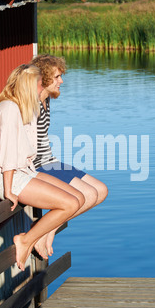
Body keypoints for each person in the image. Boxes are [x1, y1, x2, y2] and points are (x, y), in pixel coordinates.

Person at [0, 64, 84, 271]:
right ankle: (27, 239)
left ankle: (36, 235)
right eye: (40, 85)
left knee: (79, 198)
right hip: (7, 176)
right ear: (29, 86)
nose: (43, 89)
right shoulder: (10, 109)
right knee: (70, 204)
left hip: (24, 171)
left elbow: (25, 152)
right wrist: (8, 189)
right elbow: (8, 154)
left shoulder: (24, 109)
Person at [29, 54, 108, 257]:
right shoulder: (30, 105)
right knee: (87, 195)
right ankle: (41, 233)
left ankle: (48, 229)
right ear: (43, 79)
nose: (61, 81)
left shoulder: (46, 101)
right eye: (56, 77)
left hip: (50, 161)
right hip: (38, 165)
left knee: (100, 190)